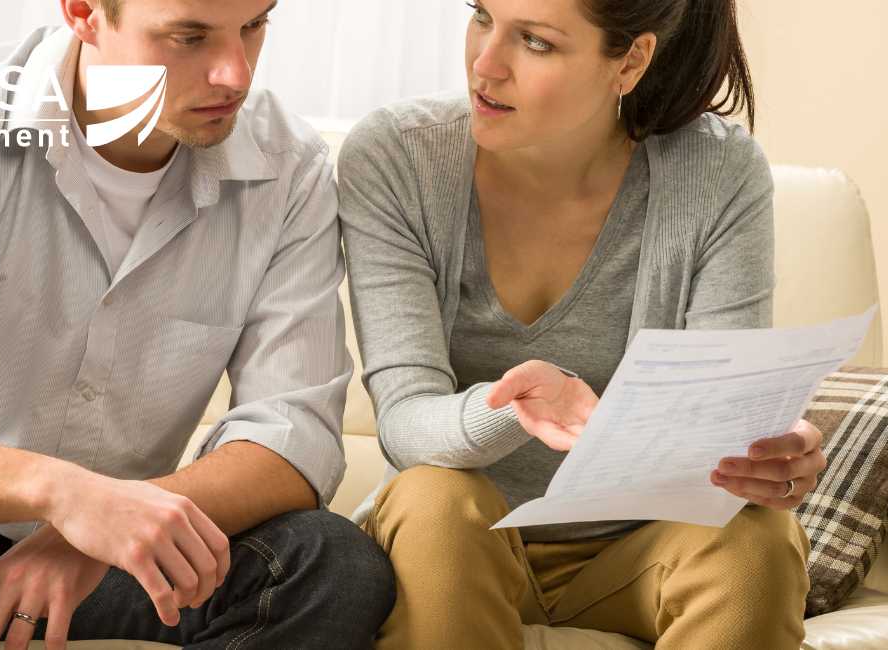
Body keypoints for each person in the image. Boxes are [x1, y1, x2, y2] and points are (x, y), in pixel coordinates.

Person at [0, 1, 395, 648]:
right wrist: (64, 496)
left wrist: (95, 537)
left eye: (255, 26)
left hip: (126, 561)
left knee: (330, 565)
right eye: (189, 36)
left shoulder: (289, 171)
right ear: (84, 12)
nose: (235, 73)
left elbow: (294, 442)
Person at [338, 0, 824, 648]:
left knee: (757, 538)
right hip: (457, 540)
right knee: (434, 502)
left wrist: (760, 447)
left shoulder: (719, 174)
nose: (485, 64)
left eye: (535, 42)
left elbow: (714, 415)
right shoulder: (397, 158)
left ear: (630, 61)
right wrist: (517, 407)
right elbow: (404, 421)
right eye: (481, 15)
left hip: (637, 550)